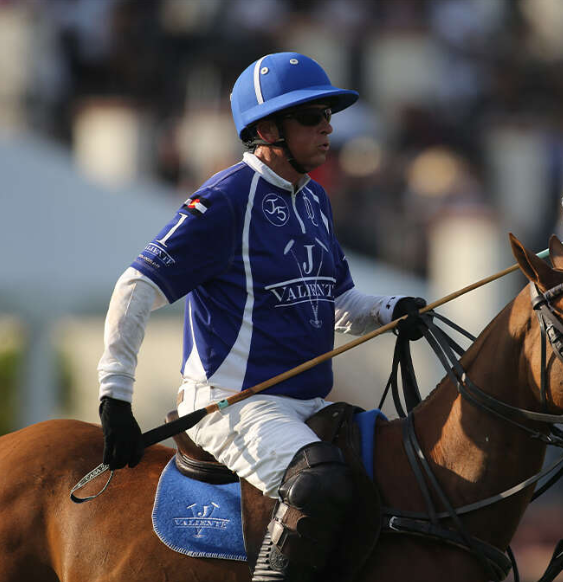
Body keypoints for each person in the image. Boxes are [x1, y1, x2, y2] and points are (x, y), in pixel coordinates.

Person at [96, 52, 427, 581]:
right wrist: (115, 395)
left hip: (310, 403)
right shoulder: (222, 201)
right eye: (310, 117)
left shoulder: (315, 200)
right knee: (319, 485)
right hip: (234, 406)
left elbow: (339, 303)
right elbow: (136, 287)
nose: (327, 128)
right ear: (267, 128)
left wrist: (394, 311)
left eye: (327, 116)